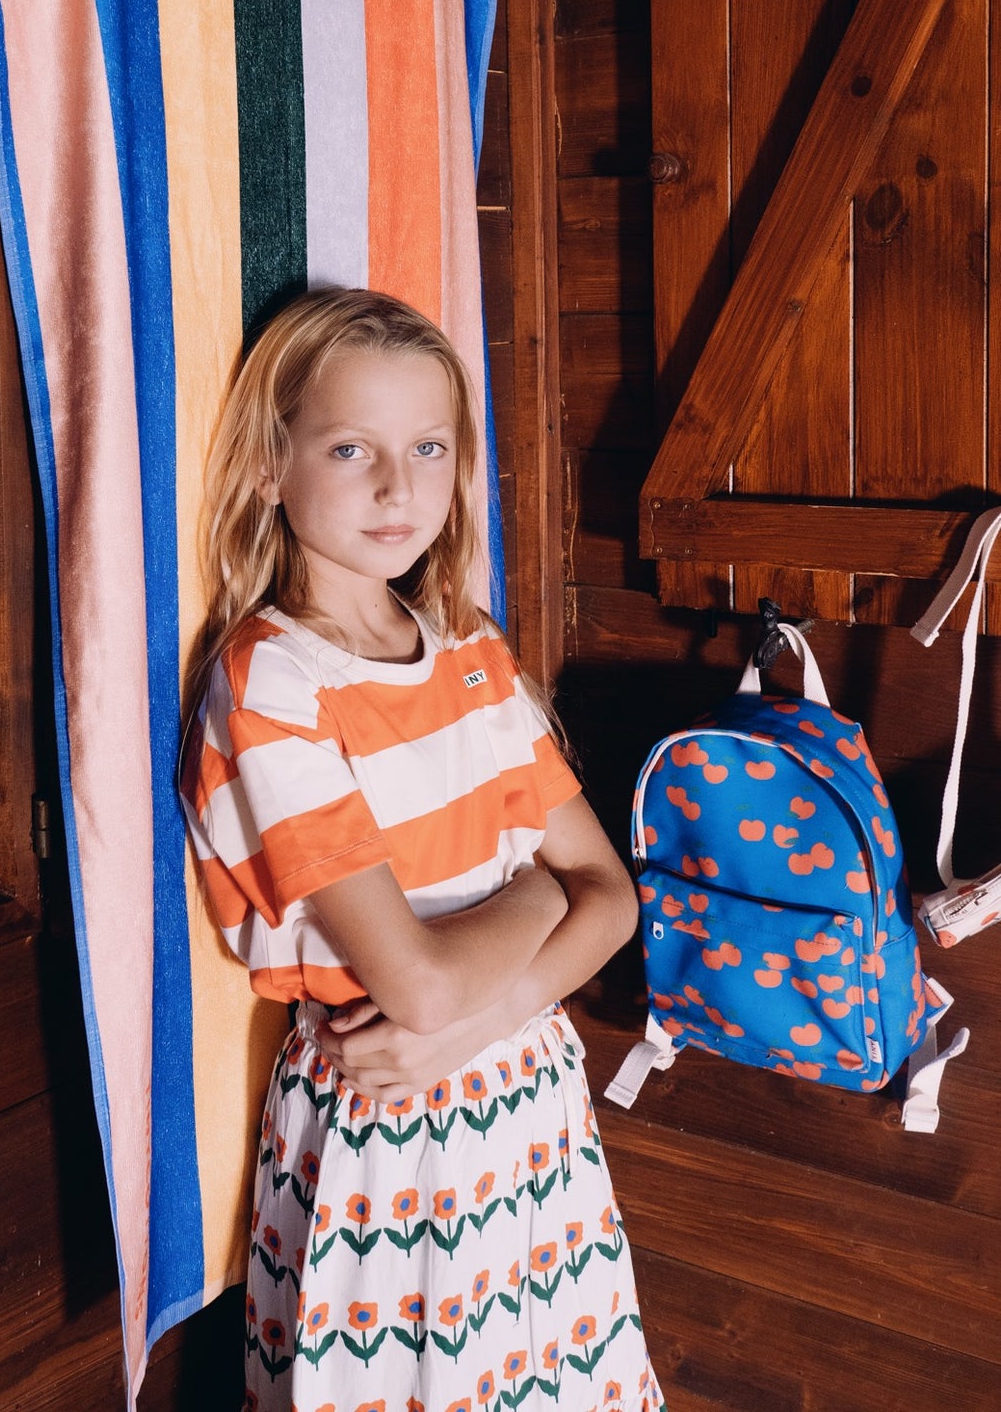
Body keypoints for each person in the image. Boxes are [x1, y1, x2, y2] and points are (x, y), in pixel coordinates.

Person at [181, 287, 666, 1411]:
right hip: (385, 1100)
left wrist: (485, 1009)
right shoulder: (273, 682)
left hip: (523, 1087)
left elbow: (610, 897)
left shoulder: (469, 649)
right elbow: (416, 980)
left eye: (427, 447)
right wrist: (536, 897)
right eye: (350, 448)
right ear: (271, 463)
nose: (398, 487)